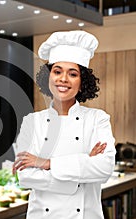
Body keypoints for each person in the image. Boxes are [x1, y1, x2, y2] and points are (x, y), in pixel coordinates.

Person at [13, 30, 116, 219]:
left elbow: (104, 169)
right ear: (48, 76)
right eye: (57, 71)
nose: (63, 79)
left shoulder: (97, 119)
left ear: (82, 81)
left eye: (73, 73)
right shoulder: (31, 122)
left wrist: (46, 163)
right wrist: (81, 174)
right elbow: (25, 176)